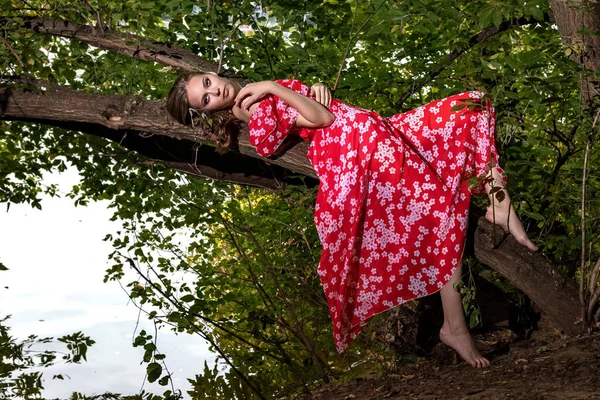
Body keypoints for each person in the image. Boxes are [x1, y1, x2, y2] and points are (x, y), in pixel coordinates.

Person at [167, 72, 538, 368]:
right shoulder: (256, 110)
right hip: (360, 153)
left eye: (206, 82)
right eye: (206, 99)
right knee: (440, 213)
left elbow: (316, 104)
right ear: (208, 112)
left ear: (209, 72)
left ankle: (498, 200)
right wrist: (273, 87)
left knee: (466, 109)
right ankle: (454, 325)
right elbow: (322, 118)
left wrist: (313, 87)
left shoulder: (255, 96)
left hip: (378, 132)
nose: (214, 90)